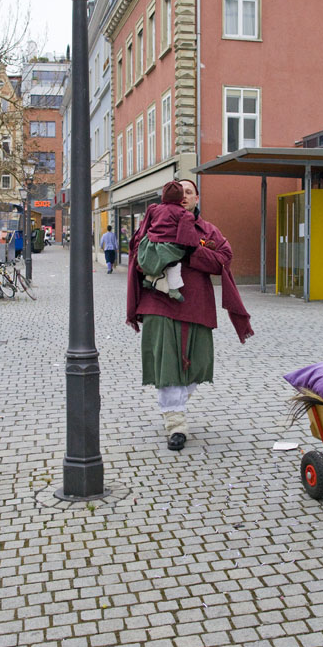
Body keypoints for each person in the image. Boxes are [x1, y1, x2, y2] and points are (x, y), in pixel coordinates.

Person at [126, 179, 253, 451]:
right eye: (179, 191)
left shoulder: (207, 230)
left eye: (189, 192)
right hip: (158, 304)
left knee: (198, 365)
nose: (183, 196)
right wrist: (163, 251)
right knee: (167, 364)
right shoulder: (153, 223)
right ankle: (176, 424)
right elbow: (138, 257)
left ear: (197, 198)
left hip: (197, 306)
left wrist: (191, 250)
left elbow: (224, 259)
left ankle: (176, 405)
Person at [136, 180, 200, 301]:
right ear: (179, 196)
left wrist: (143, 238)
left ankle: (148, 280)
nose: (185, 196)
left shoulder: (154, 208)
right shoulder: (183, 213)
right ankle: (173, 289)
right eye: (183, 193)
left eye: (189, 192)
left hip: (151, 243)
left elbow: (144, 227)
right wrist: (188, 247)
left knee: (154, 261)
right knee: (174, 264)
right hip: (168, 246)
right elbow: (185, 236)